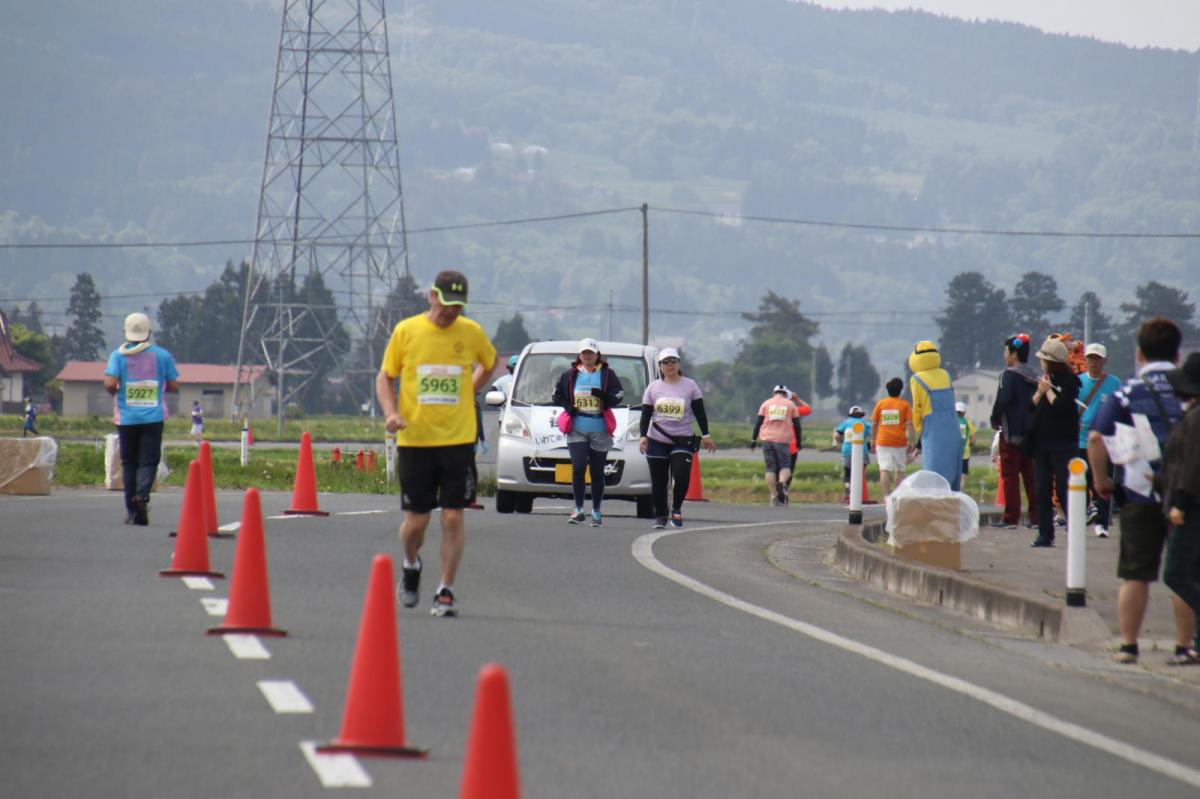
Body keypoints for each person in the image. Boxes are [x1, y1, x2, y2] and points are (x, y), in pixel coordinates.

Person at [375, 270, 496, 618]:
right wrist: (390, 413)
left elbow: (489, 363)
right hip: (415, 440)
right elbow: (385, 376)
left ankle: (446, 589)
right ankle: (411, 565)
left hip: (458, 439)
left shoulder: (470, 333)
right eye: (446, 305)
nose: (451, 312)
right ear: (432, 297)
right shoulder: (407, 331)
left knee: (454, 517)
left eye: (458, 307)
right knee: (416, 524)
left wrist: (469, 389)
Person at [1088, 317, 1190, 664]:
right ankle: (1184, 646)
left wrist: (1101, 480)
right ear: (1178, 354)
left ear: (1138, 353)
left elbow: (1096, 438)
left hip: (1140, 490)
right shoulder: (1190, 392)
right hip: (1187, 494)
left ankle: (1130, 645)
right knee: (1185, 572)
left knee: (1136, 573)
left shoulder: (1126, 392)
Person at [103, 312, 180, 526]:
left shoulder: (117, 356)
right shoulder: (162, 356)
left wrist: (118, 395)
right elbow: (174, 385)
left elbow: (110, 383)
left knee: (129, 462)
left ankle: (131, 509)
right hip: (153, 418)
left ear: (126, 332)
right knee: (148, 460)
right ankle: (142, 495)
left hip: (126, 418)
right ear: (149, 333)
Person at [639, 347, 716, 528]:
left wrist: (706, 435)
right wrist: (643, 436)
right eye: (666, 362)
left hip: (682, 440)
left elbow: (700, 412)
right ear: (660, 366)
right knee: (659, 482)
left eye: (673, 361)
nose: (670, 365)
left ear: (679, 364)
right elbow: (646, 415)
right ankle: (660, 516)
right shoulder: (653, 387)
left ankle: (676, 508)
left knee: (681, 476)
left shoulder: (690, 386)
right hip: (657, 440)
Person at [552, 338, 625, 527]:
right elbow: (556, 395)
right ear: (579, 355)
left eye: (591, 353)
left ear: (597, 355)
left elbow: (618, 395)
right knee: (577, 467)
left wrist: (604, 398)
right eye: (584, 353)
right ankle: (578, 509)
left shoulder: (608, 374)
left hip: (600, 428)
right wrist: (569, 407)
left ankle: (596, 510)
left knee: (597, 470)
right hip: (577, 427)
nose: (588, 356)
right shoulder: (569, 375)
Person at [1161, 352, 1200, 664]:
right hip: (1188, 501)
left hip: (1191, 506)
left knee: (1176, 572)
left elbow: (1192, 466)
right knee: (1194, 573)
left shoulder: (1197, 418)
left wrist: (1180, 504)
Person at [1027, 337, 1081, 548]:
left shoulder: (1070, 382)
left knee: (1064, 489)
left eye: (1043, 359)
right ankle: (1045, 534)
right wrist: (1040, 392)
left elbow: (1062, 408)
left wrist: (1048, 390)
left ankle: (1074, 529)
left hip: (1063, 443)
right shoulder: (1045, 379)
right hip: (1042, 443)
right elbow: (1030, 407)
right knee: (1041, 490)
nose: (1041, 362)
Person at [989, 334, 1039, 529]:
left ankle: (1011, 518)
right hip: (1032, 435)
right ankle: (1036, 518)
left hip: (1011, 435)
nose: (1005, 355)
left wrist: (994, 419)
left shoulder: (1007, 376)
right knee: (1031, 477)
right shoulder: (1034, 376)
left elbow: (1002, 400)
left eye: (1006, 352)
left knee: (1010, 477)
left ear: (1013, 354)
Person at [1077, 343, 1121, 538]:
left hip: (1105, 442)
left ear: (1105, 361)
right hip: (1081, 440)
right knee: (1084, 481)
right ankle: (1088, 512)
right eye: (1090, 358)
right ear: (1085, 360)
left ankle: (1102, 524)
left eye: (1097, 359)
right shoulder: (1078, 381)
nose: (1093, 363)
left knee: (1104, 483)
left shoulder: (1114, 383)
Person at [908, 341, 962, 491]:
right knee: (953, 465)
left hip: (933, 426)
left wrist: (918, 426)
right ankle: (952, 502)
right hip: (953, 424)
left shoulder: (916, 379)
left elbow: (917, 407)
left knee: (934, 469)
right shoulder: (945, 374)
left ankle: (935, 504)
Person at [752, 385, 803, 506]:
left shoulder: (766, 403)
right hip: (783, 440)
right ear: (785, 393)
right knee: (785, 466)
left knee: (770, 468)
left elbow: (758, 423)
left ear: (774, 393)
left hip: (767, 439)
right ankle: (782, 482)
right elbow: (797, 425)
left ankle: (774, 496)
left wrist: (753, 439)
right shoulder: (791, 405)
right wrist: (799, 441)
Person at [871, 378, 914, 498]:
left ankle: (886, 496)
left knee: (884, 469)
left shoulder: (881, 404)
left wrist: (873, 439)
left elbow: (874, 423)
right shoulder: (905, 405)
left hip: (883, 440)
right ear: (901, 390)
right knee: (900, 469)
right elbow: (909, 424)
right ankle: (896, 495)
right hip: (899, 441)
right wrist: (911, 440)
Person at [833, 405, 872, 504]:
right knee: (860, 473)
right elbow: (873, 436)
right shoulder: (865, 424)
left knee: (847, 472)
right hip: (862, 451)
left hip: (847, 450)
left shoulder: (846, 423)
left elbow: (836, 435)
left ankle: (847, 487)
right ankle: (857, 493)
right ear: (861, 415)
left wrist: (840, 442)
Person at [955, 402, 976, 479]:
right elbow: (973, 440)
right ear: (964, 412)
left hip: (952, 453)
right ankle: (959, 490)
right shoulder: (968, 422)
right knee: (962, 476)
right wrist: (970, 445)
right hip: (965, 452)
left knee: (952, 474)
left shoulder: (951, 422)